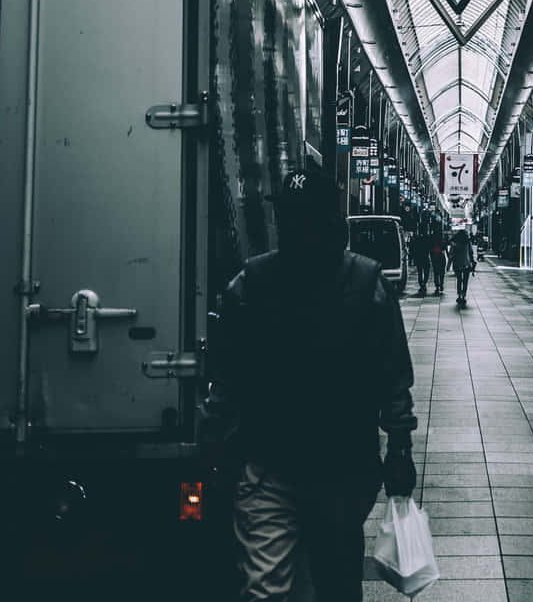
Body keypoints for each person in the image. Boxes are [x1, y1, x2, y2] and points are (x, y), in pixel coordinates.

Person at [202, 164, 419, 602]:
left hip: (338, 472)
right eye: (289, 219)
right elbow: (226, 373)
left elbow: (392, 375)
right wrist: (214, 437)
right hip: (272, 468)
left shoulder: (365, 285)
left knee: (335, 581)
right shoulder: (251, 285)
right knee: (269, 590)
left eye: (307, 219)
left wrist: (400, 446)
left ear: (329, 224)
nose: (297, 231)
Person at [448, 229, 475, 306]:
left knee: (459, 280)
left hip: (457, 263)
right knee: (465, 281)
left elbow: (451, 254)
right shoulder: (467, 242)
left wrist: (448, 265)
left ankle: (459, 295)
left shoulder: (455, 243)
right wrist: (472, 262)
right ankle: (463, 296)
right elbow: (471, 252)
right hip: (467, 263)